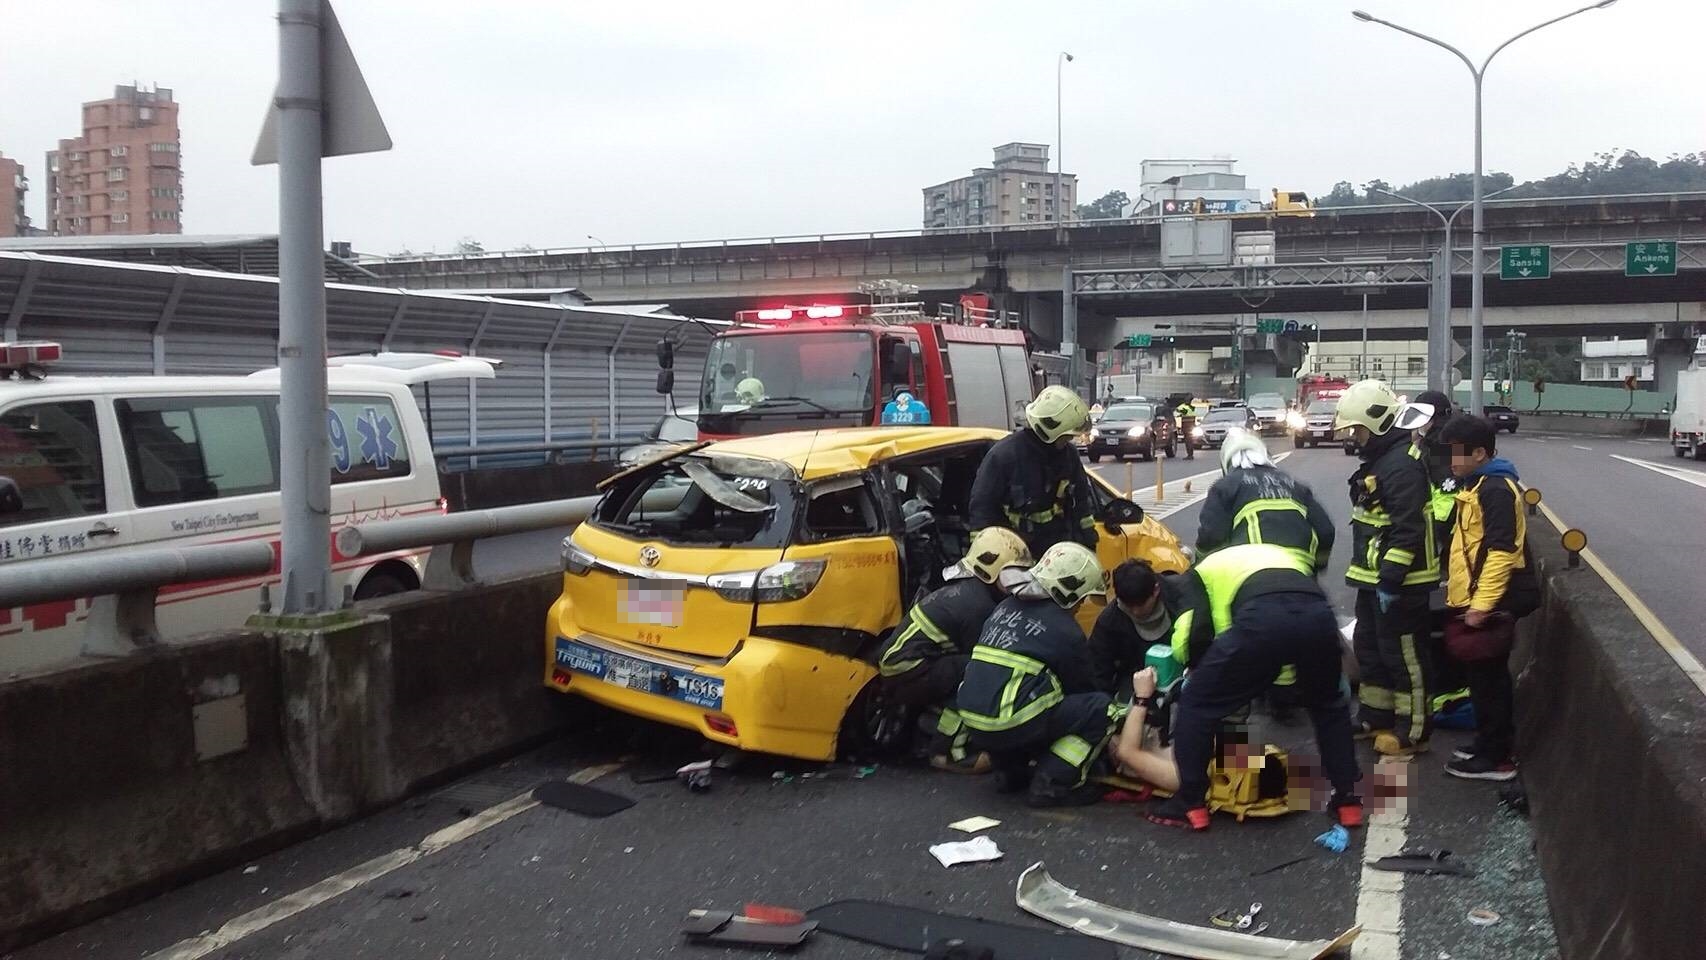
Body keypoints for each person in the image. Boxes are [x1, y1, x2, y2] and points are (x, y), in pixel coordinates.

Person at [1144, 543, 1363, 831]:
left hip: (1261, 620)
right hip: (1317, 615)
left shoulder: (1195, 576)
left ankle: (1190, 803)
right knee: (1328, 706)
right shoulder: (1275, 555)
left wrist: (1194, 667)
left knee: (1197, 702)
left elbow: (1192, 633)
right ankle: (1347, 801)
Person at [957, 542, 1118, 808]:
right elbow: (1083, 690)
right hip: (1010, 722)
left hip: (973, 721)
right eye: (1081, 599)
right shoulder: (1066, 630)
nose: (1080, 607)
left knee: (1033, 696)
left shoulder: (1004, 607)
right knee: (1101, 709)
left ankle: (1010, 773)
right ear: (1070, 592)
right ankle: (1053, 782)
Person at [1335, 379, 1441, 758]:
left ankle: (1414, 729)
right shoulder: (1384, 461)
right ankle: (1375, 715)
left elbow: (1407, 528)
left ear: (1377, 424)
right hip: (1374, 580)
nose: (1355, 437)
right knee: (1371, 647)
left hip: (1403, 583)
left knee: (1405, 656)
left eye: (1358, 429)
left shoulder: (1401, 467)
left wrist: (1391, 578)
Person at [879, 527, 1034, 774]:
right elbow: (985, 661)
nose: (1018, 580)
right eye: (1012, 573)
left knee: (967, 669)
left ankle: (928, 731)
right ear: (991, 571)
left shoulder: (970, 589)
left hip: (906, 666)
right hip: (906, 669)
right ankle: (947, 752)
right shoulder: (978, 607)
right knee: (979, 673)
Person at [1436, 414, 1539, 781]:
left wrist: (1481, 605)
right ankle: (1488, 744)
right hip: (1479, 596)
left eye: (1458, 452)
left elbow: (1501, 551)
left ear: (1480, 452)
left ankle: (1496, 758)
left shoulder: (1495, 488)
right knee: (1483, 679)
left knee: (1489, 680)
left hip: (1494, 599)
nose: (1452, 459)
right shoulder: (1478, 483)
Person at [969, 385, 1098, 557]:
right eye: (1066, 436)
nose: (1069, 440)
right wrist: (989, 557)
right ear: (1052, 432)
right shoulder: (1004, 457)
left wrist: (1088, 543)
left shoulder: (1068, 456)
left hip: (1058, 553)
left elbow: (1081, 502)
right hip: (1017, 556)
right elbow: (982, 512)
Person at [1195, 428, 1335, 571]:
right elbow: (1326, 530)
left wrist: (1199, 567)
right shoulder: (1295, 485)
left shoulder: (1224, 487)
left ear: (1226, 460)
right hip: (1301, 571)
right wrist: (1318, 564)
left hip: (1251, 572)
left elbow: (1211, 537)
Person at [1087, 559, 1211, 694]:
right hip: (1136, 681)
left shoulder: (1184, 600)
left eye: (1140, 604)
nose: (1135, 612)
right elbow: (1098, 672)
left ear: (1156, 590)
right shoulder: (1110, 622)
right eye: (1128, 605)